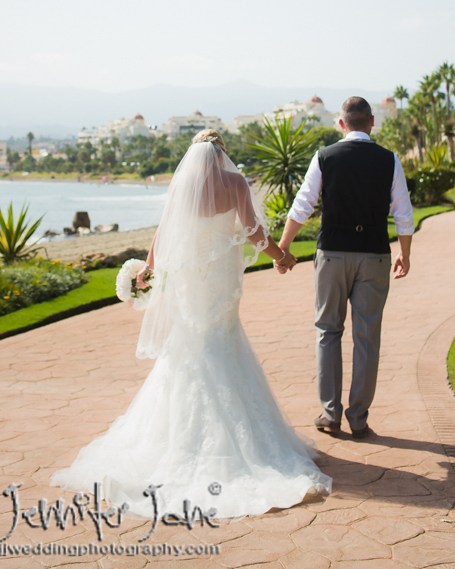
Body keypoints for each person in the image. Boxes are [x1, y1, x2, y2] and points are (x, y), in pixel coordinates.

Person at [50, 130, 331, 518]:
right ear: (221, 154)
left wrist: (149, 267)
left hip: (188, 279)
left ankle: (175, 440)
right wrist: (279, 255)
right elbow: (252, 230)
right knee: (222, 340)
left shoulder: (181, 185)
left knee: (190, 344)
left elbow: (164, 231)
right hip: (220, 277)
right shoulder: (234, 182)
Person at [276, 97, 414, 438]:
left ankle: (330, 413)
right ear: (371, 123)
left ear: (341, 124)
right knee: (367, 337)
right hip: (375, 254)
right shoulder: (389, 160)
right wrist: (404, 253)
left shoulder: (325, 157)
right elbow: (403, 212)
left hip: (333, 255)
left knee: (328, 331)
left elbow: (302, 205)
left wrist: (283, 248)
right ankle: (359, 418)